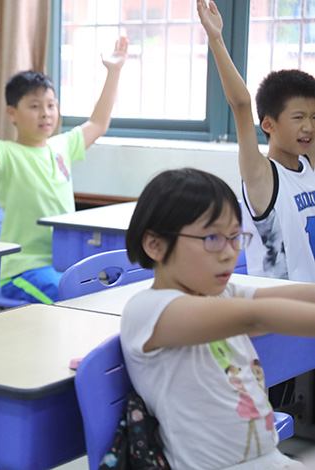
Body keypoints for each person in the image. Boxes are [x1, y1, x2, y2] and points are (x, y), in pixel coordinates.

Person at [121, 167, 315, 469]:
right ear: (155, 244)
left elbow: (290, 296)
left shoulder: (217, 294)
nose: (229, 253)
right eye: (212, 238)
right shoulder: (149, 310)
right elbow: (256, 316)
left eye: (235, 237)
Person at [0, 35, 128, 304]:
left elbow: (99, 123)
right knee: (76, 300)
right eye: (34, 106)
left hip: (64, 264)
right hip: (22, 270)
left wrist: (114, 71)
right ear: (11, 113)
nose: (45, 113)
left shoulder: (62, 146)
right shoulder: (6, 155)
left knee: (110, 293)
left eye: (51, 105)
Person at [198, 0, 315, 282]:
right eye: (298, 117)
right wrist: (216, 39)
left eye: (314, 117)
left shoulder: (309, 165)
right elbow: (240, 104)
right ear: (268, 124)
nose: (308, 127)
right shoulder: (261, 175)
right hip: (279, 310)